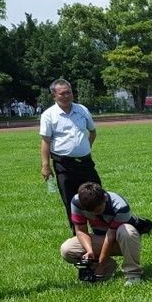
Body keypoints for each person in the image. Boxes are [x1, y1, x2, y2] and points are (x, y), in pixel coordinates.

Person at [40, 78, 100, 230]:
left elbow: (92, 132)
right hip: (64, 165)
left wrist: (86, 148)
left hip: (86, 163)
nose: (67, 96)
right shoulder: (49, 115)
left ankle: (100, 232)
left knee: (96, 197)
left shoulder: (82, 110)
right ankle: (79, 238)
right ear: (54, 96)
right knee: (70, 201)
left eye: (69, 92)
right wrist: (46, 165)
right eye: (62, 93)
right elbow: (45, 141)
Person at [60, 182, 144, 285]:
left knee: (126, 231)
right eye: (90, 211)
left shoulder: (120, 206)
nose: (94, 213)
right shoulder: (76, 202)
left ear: (104, 198)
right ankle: (109, 267)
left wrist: (100, 263)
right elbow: (80, 231)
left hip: (123, 241)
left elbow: (110, 236)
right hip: (102, 238)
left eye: (98, 210)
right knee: (67, 249)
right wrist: (89, 251)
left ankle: (133, 275)